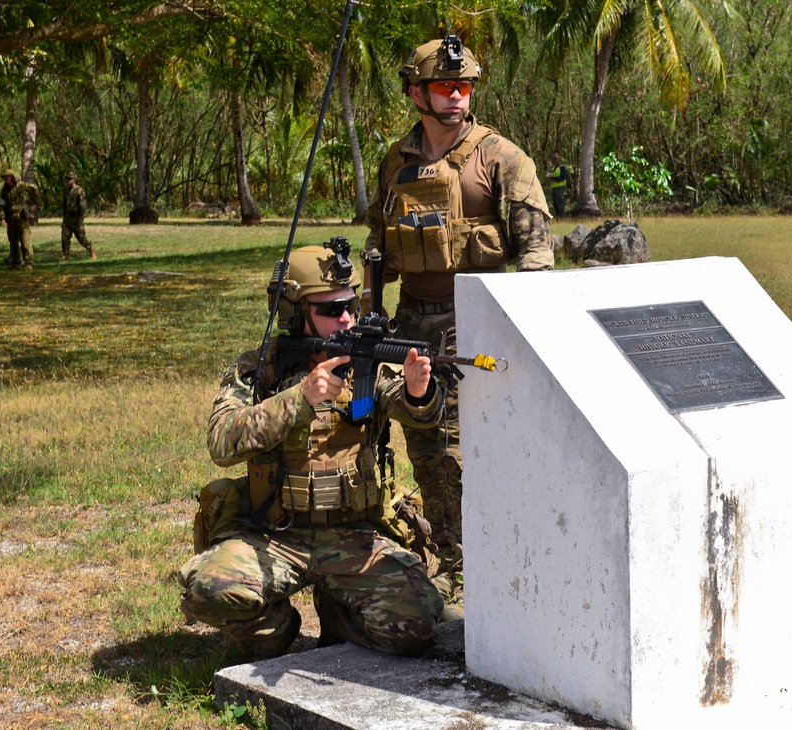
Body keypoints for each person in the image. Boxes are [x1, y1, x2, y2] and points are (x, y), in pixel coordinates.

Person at [177, 243, 446, 659]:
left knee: (420, 622)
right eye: (331, 309)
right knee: (209, 590)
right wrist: (299, 399)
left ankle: (339, 614)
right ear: (293, 314)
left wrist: (417, 391)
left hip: (354, 535)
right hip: (275, 534)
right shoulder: (260, 369)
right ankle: (276, 629)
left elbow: (414, 411)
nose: (346, 318)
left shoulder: (367, 363)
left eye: (351, 305)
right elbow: (222, 441)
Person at [363, 35, 554, 607]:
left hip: (478, 328)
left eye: (464, 86)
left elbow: (537, 255)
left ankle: (481, 564)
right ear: (416, 93)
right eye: (444, 86)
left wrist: (526, 334)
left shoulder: (503, 159)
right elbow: (378, 249)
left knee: (468, 450)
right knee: (423, 446)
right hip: (410, 328)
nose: (456, 96)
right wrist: (368, 324)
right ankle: (450, 556)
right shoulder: (397, 163)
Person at [0, 169, 37, 270]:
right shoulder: (4, 190)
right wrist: (2, 217)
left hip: (22, 218)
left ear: (12, 177)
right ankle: (16, 262)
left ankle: (28, 262)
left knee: (25, 241)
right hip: (11, 219)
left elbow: (34, 189)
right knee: (13, 242)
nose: (6, 179)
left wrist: (34, 203)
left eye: (8, 177)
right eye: (4, 177)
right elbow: (2, 205)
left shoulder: (21, 186)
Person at [61, 172, 95, 260]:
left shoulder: (79, 190)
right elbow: (64, 205)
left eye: (70, 178)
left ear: (74, 180)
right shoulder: (66, 190)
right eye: (67, 178)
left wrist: (81, 219)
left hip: (76, 217)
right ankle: (66, 254)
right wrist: (64, 219)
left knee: (81, 237)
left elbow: (82, 206)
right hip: (68, 217)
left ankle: (90, 248)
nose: (68, 180)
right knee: (65, 237)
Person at [548, 153, 568, 218]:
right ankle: (558, 217)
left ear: (559, 159)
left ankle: (563, 216)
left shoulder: (562, 167)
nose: (555, 161)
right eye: (554, 159)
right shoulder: (554, 168)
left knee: (560, 203)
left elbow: (563, 177)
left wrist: (553, 178)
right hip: (554, 188)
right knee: (555, 203)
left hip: (560, 188)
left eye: (556, 159)